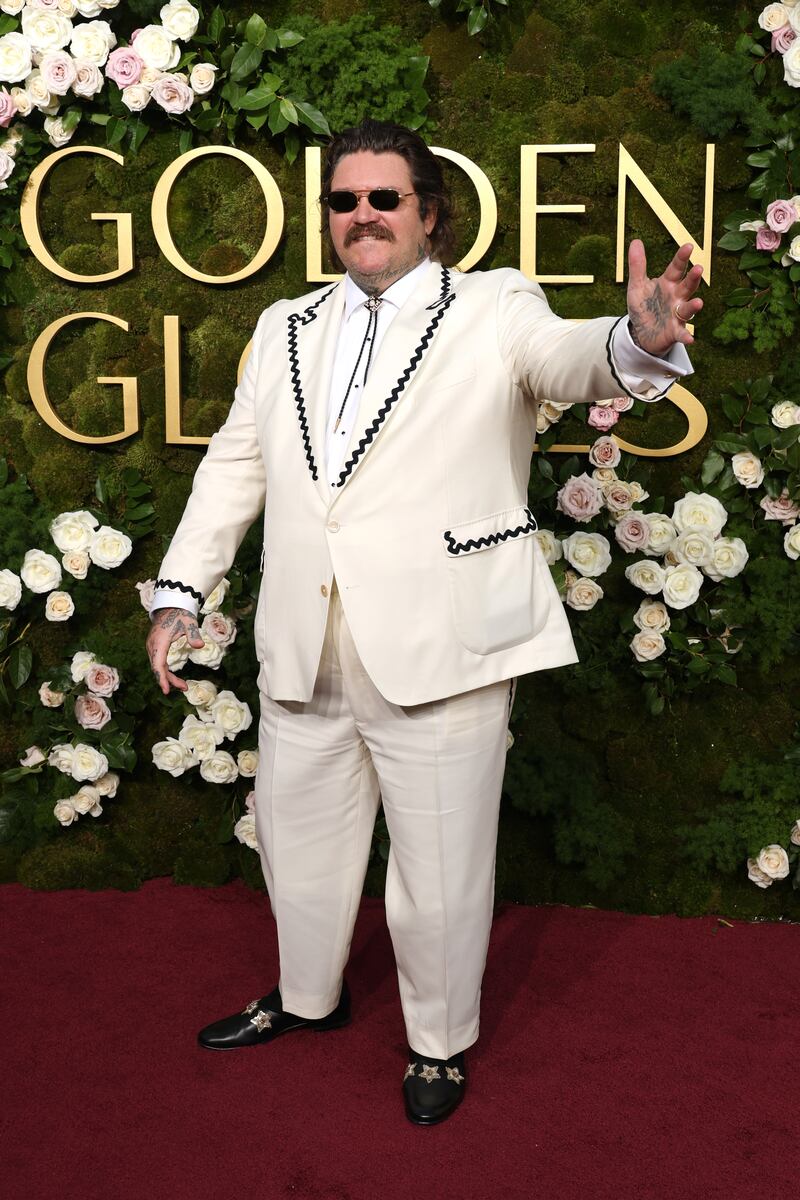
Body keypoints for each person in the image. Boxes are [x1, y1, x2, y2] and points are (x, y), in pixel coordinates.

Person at [146, 119, 701, 1126]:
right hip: (303, 642)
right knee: (296, 848)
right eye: (344, 200)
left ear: (428, 213)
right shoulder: (284, 326)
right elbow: (235, 463)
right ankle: (307, 997)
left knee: (440, 874)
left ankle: (438, 1042)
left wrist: (636, 341)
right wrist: (181, 591)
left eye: (383, 198)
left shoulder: (493, 307)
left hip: (444, 645)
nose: (362, 215)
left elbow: (568, 359)